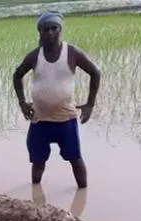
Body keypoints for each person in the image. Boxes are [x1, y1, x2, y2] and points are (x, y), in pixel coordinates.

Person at [13, 10, 101, 187]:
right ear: (40, 32)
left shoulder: (71, 53)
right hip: (40, 120)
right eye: (45, 29)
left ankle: (82, 194)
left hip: (65, 119)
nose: (50, 33)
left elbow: (95, 72)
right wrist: (22, 103)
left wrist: (90, 104)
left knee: (75, 159)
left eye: (54, 28)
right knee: (38, 163)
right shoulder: (34, 56)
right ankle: (34, 198)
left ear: (60, 30)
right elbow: (17, 75)